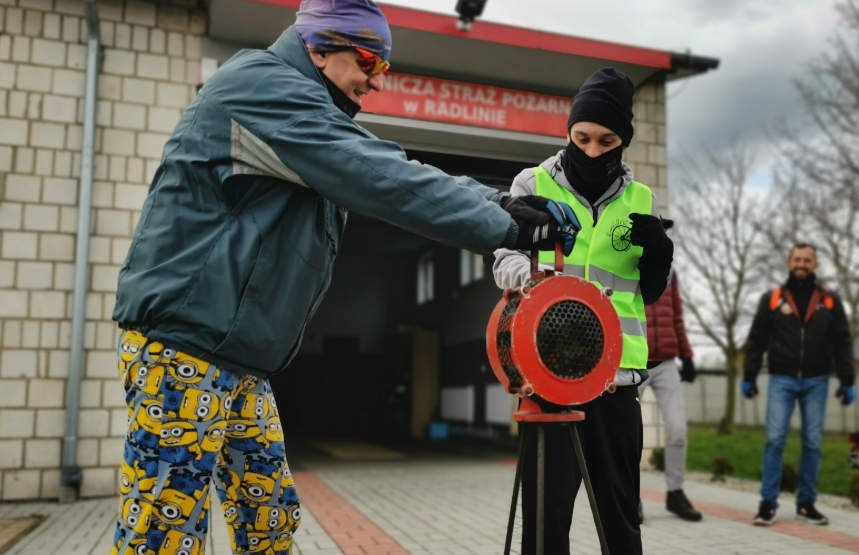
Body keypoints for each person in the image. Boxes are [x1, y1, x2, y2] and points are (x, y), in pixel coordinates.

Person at [108, 1, 581, 553]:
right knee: (165, 531)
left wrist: (505, 204)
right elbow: (377, 176)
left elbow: (392, 165)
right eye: (368, 62)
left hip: (238, 358)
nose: (376, 81)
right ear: (320, 47)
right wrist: (505, 225)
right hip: (185, 343)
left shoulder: (310, 113)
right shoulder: (260, 87)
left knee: (268, 520)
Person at [493, 67, 674, 555]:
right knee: (545, 526)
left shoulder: (641, 200)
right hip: (551, 379)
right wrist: (535, 277)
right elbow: (503, 261)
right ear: (568, 132)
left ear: (625, 140)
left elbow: (647, 292)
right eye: (583, 137)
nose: (593, 151)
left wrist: (660, 257)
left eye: (607, 140)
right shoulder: (533, 183)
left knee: (620, 522)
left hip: (619, 382)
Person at [741, 243, 855, 527]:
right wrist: (749, 376)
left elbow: (842, 342)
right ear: (789, 262)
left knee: (813, 443)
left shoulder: (828, 300)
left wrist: (847, 380)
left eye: (807, 260)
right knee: (774, 440)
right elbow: (756, 340)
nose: (802, 263)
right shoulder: (773, 298)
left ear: (815, 265)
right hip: (782, 379)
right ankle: (768, 504)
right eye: (797, 259)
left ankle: (806, 503)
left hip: (817, 381)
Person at [638, 266, 702, 522]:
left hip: (666, 363)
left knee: (677, 430)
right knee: (629, 435)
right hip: (635, 362)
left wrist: (687, 355)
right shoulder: (624, 262)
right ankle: (630, 497)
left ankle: (675, 493)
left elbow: (676, 316)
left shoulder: (670, 273)